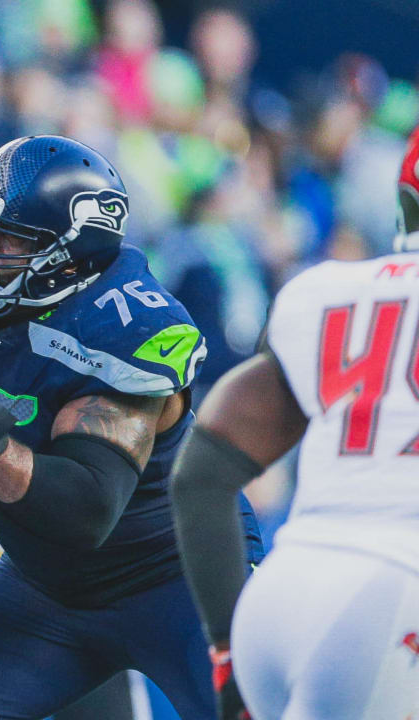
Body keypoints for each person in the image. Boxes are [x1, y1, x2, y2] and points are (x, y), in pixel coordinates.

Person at [0, 135, 266, 720]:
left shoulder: (126, 324)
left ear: (68, 257)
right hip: (46, 587)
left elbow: (83, 510)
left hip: (175, 575)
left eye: (9, 238)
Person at [169, 131, 419, 720]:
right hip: (388, 606)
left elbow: (199, 477)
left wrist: (229, 649)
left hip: (282, 597)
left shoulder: (326, 289)